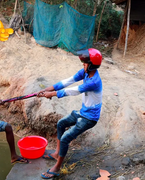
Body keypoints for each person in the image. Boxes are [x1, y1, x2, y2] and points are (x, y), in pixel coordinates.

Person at [37, 48, 103, 179]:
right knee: (61, 123)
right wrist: (49, 88)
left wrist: (52, 94)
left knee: (66, 137)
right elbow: (68, 81)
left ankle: (57, 168)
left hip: (90, 118)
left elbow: (74, 90)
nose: (83, 65)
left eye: (85, 63)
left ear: (91, 65)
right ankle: (57, 153)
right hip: (83, 112)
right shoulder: (85, 73)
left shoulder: (93, 82)